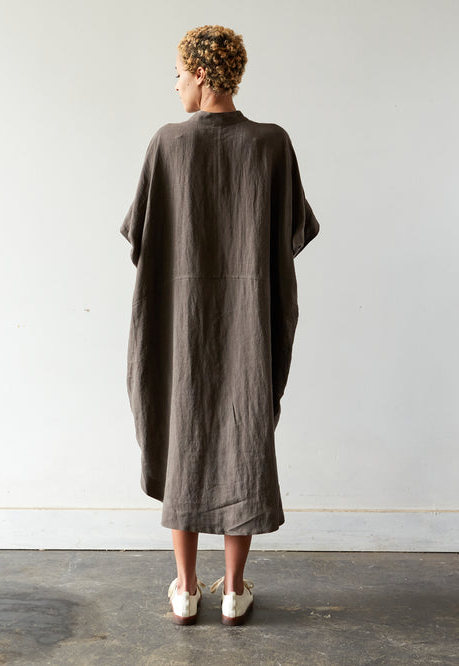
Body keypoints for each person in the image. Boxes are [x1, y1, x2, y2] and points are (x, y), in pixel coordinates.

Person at [120, 25, 320, 626]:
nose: (176, 84)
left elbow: (139, 237)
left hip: (181, 324)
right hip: (249, 322)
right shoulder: (271, 144)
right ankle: (233, 591)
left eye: (179, 72)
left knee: (182, 430)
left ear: (202, 74)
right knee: (243, 432)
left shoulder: (168, 144)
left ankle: (185, 589)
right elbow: (296, 232)